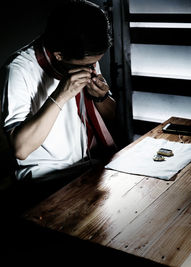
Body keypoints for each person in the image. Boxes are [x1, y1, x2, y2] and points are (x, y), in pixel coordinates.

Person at [0, 0, 116, 201]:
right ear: (59, 55)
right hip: (46, 183)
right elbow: (21, 149)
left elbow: (111, 118)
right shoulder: (18, 70)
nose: (92, 68)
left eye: (95, 63)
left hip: (90, 168)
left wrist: (102, 97)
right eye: (88, 64)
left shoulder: (84, 54)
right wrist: (60, 96)